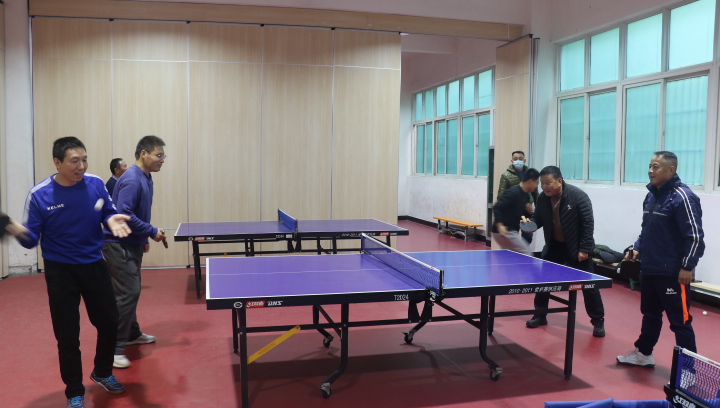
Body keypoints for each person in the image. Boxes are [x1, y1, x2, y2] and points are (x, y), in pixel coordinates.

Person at [17, 137, 131, 408]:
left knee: (109, 323)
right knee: (67, 336)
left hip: (94, 265)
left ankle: (102, 372)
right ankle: (74, 392)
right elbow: (31, 239)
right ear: (57, 162)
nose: (81, 166)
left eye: (84, 159)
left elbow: (108, 210)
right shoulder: (40, 194)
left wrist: (111, 219)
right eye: (74, 161)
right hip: (61, 272)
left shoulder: (95, 184)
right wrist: (15, 230)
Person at [617, 151, 704, 367]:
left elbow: (694, 237)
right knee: (650, 314)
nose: (650, 171)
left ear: (671, 170)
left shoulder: (683, 197)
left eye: (655, 167)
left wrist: (687, 267)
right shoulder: (651, 196)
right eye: (650, 166)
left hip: (673, 273)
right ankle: (644, 354)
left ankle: (687, 371)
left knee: (680, 322)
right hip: (650, 268)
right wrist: (636, 249)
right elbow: (646, 231)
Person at [103, 135, 167, 369]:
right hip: (118, 245)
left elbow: (138, 213)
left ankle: (131, 334)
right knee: (128, 292)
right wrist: (151, 231)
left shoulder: (146, 177)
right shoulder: (132, 179)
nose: (162, 160)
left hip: (132, 243)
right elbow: (124, 214)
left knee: (129, 291)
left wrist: (143, 238)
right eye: (158, 155)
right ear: (144, 154)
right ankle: (114, 349)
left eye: (163, 156)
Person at [523, 166, 606, 337]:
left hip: (576, 248)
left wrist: (584, 249)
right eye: (542, 183)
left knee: (589, 287)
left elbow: (588, 225)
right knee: (543, 283)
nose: (545, 187)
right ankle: (540, 315)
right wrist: (529, 225)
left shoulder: (578, 197)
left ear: (559, 181)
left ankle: (598, 321)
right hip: (554, 247)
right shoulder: (543, 199)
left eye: (548, 182)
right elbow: (538, 219)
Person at [492, 168, 540, 255]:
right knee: (526, 253)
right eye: (537, 183)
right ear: (530, 181)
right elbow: (497, 207)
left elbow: (523, 216)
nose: (537, 186)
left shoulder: (526, 196)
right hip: (505, 231)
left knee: (510, 256)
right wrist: (500, 225)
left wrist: (529, 212)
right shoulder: (513, 192)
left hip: (512, 231)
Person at [497, 150, 538, 243]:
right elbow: (501, 196)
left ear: (524, 160)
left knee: (528, 237)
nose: (518, 161)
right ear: (512, 161)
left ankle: (523, 251)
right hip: (512, 212)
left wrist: (537, 211)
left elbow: (536, 194)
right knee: (512, 238)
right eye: (515, 159)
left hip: (527, 212)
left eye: (520, 158)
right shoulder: (506, 175)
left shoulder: (530, 174)